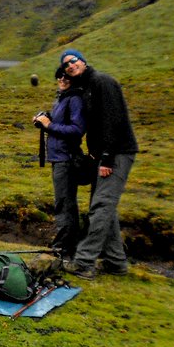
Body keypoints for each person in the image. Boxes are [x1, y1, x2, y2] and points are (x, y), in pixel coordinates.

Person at [58, 48, 138, 279]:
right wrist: (63, 88)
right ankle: (116, 263)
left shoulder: (103, 82)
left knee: (101, 206)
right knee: (104, 207)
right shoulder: (84, 87)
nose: (70, 66)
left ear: (83, 60)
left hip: (117, 153)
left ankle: (84, 262)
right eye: (66, 65)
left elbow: (114, 120)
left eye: (73, 61)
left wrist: (106, 158)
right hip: (103, 155)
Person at [33, 66, 85, 257]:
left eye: (67, 77)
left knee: (64, 204)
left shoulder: (75, 99)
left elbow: (76, 130)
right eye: (59, 76)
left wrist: (49, 124)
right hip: (59, 157)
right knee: (65, 202)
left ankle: (63, 249)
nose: (62, 80)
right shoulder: (63, 97)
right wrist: (44, 120)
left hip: (67, 158)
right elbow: (59, 126)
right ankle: (68, 247)